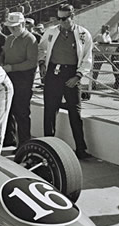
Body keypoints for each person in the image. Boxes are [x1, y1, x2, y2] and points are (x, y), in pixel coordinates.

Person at [38, 4, 93, 159]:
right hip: (53, 73)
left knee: (75, 113)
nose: (61, 22)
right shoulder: (51, 32)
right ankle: (48, 146)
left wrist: (78, 76)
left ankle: (81, 149)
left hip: (72, 74)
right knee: (50, 110)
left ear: (73, 16)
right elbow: (41, 49)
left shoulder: (83, 34)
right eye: (59, 18)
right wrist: (42, 63)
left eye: (64, 19)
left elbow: (88, 57)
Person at [0, 12, 38, 150]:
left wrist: (12, 67)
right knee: (8, 110)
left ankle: (24, 144)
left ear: (23, 24)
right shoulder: (9, 38)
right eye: (10, 27)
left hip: (23, 79)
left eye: (15, 27)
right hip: (9, 76)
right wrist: (2, 64)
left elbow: (32, 63)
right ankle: (9, 139)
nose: (12, 29)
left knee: (22, 113)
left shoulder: (30, 39)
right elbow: (4, 54)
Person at [92, 25, 111, 89]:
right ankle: (93, 83)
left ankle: (93, 83)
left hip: (103, 55)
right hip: (98, 55)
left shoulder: (107, 36)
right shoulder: (99, 36)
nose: (103, 30)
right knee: (95, 70)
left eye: (105, 29)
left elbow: (106, 41)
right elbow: (95, 41)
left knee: (96, 70)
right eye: (103, 29)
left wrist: (106, 34)